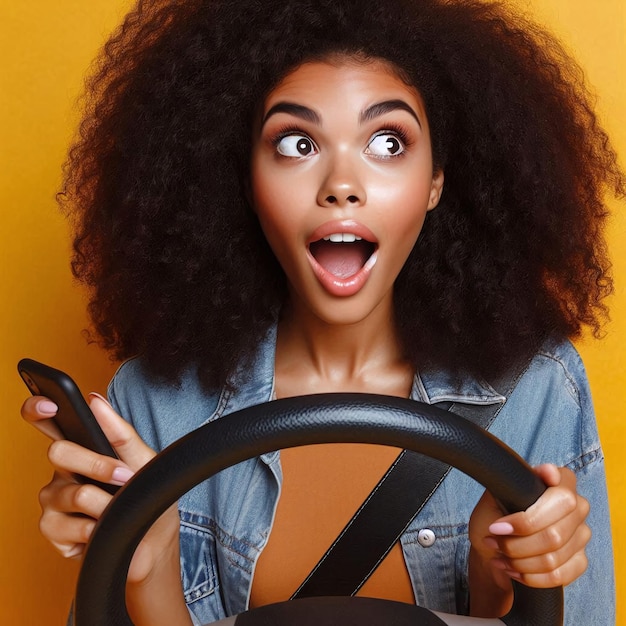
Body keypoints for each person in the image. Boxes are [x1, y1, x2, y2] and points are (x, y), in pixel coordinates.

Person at [21, 0, 623, 624]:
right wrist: (147, 565)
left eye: (388, 142)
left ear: (437, 179)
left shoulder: (537, 389)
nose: (342, 182)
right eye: (297, 143)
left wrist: (499, 575)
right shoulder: (158, 402)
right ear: (247, 181)